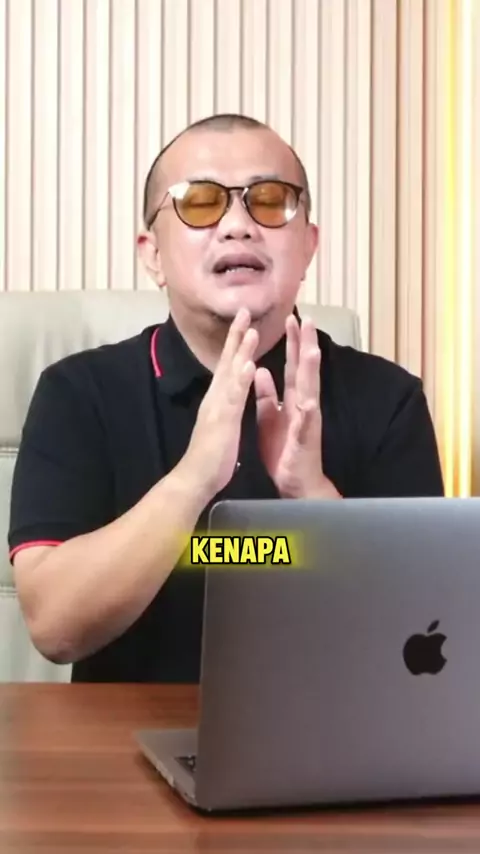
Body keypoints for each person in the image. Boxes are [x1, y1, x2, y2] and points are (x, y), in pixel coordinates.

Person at [7, 114, 444, 683]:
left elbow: (422, 636)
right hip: (125, 731)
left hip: (331, 727)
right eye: (200, 202)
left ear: (308, 246)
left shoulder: (389, 400)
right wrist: (192, 479)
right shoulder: (78, 392)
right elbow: (55, 627)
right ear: (152, 254)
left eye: (270, 200)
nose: (238, 225)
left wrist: (312, 494)